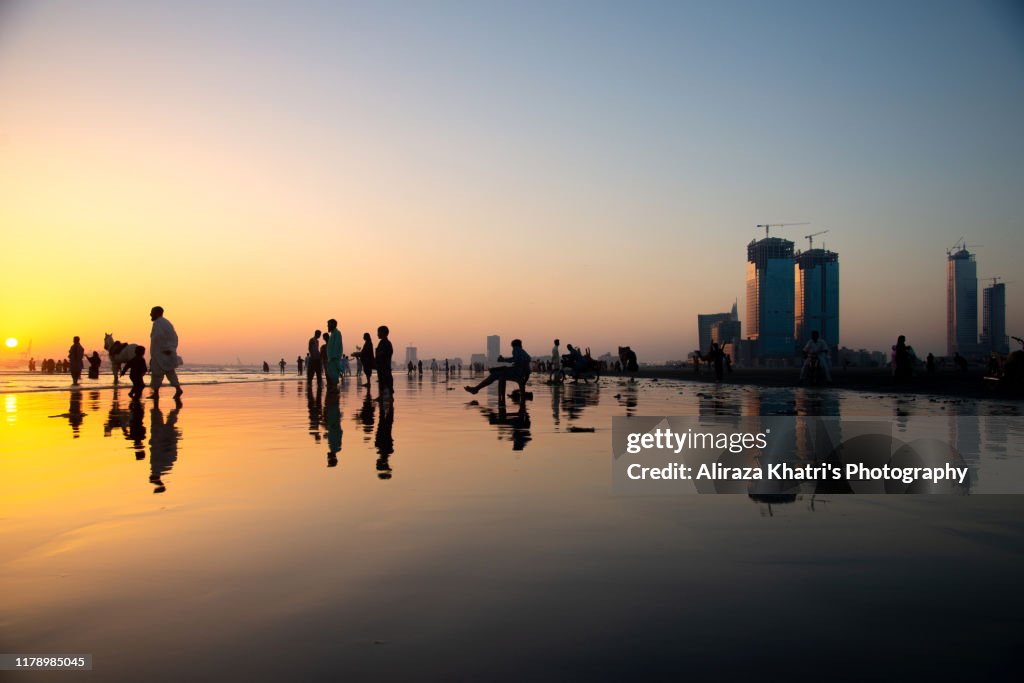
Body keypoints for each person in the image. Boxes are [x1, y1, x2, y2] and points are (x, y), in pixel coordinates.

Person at [464, 339, 531, 402]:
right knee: (498, 373)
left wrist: (503, 360)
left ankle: (476, 389)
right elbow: (526, 368)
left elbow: (514, 359)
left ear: (514, 346)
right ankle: (477, 389)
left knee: (494, 375)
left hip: (517, 373)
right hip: (521, 373)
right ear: (520, 345)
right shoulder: (524, 353)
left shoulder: (516, 349)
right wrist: (523, 382)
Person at [149, 306, 183, 400]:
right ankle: (177, 389)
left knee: (157, 374)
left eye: (152, 312)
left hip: (162, 353)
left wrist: (167, 348)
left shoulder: (161, 323)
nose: (150, 314)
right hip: (162, 353)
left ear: (157, 313)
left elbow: (161, 337)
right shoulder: (163, 323)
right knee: (169, 372)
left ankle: (156, 393)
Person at [375, 325, 394, 398]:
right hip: (382, 367)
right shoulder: (383, 342)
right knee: (383, 382)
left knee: (385, 382)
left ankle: (387, 398)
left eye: (378, 332)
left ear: (382, 333)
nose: (377, 334)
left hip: (384, 367)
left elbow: (383, 354)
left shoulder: (385, 343)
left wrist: (378, 353)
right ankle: (383, 396)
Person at [325, 319, 343, 388]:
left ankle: (334, 394)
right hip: (331, 359)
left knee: (334, 377)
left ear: (333, 325)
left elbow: (337, 346)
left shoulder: (337, 333)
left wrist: (333, 357)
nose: (327, 326)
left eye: (329, 325)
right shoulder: (332, 334)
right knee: (331, 376)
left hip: (334, 359)